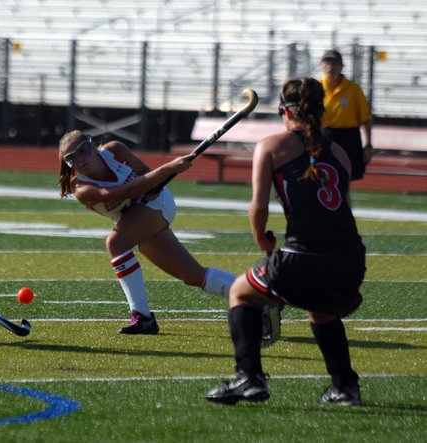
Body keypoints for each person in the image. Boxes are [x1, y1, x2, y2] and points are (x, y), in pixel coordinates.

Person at [205, 78, 366, 406]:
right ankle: (345, 386)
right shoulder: (338, 152)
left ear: (284, 111)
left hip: (303, 257)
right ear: (321, 111)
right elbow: (341, 209)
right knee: (320, 309)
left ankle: (248, 376)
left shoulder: (271, 146)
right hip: (350, 259)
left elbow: (258, 206)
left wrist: (261, 238)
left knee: (240, 292)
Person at [57, 130, 280, 340]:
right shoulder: (82, 189)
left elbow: (146, 174)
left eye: (83, 150)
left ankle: (142, 317)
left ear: (92, 146)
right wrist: (168, 169)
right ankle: (261, 298)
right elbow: (124, 192)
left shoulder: (115, 150)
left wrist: (156, 183)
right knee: (193, 276)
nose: (80, 160)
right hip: (136, 220)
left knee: (115, 243)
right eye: (71, 158)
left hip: (157, 204)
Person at [320, 49, 373, 181]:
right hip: (325, 136)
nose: (330, 67)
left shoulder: (353, 89)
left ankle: (344, 201)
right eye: (327, 63)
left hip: (348, 137)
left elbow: (365, 119)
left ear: (341, 66)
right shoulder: (317, 87)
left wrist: (368, 145)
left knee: (346, 176)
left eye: (334, 63)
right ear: (321, 65)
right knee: (324, 175)